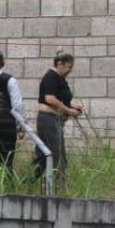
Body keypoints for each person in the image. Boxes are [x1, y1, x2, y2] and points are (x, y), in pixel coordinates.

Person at [34, 52, 81, 186]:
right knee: (57, 154)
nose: (70, 70)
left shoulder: (60, 78)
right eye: (68, 67)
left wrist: (72, 106)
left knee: (47, 153)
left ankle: (39, 181)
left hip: (55, 119)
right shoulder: (51, 77)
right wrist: (68, 111)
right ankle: (60, 184)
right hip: (48, 119)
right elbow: (50, 99)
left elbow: (60, 99)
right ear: (59, 64)